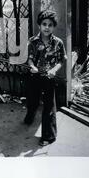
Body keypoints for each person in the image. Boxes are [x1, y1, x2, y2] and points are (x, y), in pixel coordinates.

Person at [24, 10, 66, 146]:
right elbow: (29, 59)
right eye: (44, 24)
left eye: (50, 25)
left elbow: (61, 60)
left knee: (49, 107)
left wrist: (54, 70)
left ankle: (48, 136)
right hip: (34, 77)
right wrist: (32, 67)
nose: (47, 27)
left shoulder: (58, 43)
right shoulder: (33, 42)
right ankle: (29, 117)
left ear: (53, 27)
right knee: (32, 101)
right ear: (39, 25)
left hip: (49, 79)